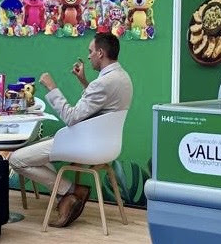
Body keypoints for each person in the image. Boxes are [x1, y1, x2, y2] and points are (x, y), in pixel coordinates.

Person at [9, 32, 133, 228]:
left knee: (16, 160)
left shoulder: (103, 83)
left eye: (91, 51)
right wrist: (83, 81)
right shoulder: (122, 77)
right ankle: (68, 195)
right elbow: (99, 103)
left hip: (86, 144)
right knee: (40, 155)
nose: (89, 56)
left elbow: (71, 117)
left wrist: (52, 88)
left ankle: (70, 191)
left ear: (100, 53)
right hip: (106, 145)